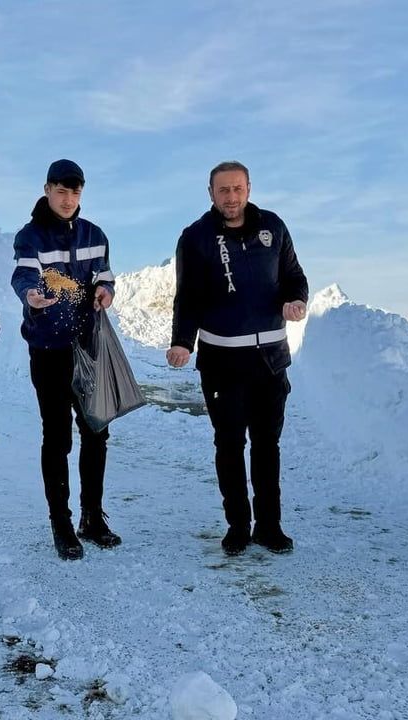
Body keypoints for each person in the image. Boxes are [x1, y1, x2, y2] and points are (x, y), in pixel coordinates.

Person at [166, 161, 308, 557]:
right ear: (210, 193)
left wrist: (295, 300)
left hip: (270, 360)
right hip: (222, 362)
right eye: (223, 190)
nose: (231, 197)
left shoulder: (273, 227)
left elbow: (294, 276)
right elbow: (188, 297)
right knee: (229, 445)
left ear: (249, 188)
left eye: (237, 189)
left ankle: (269, 526)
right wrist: (182, 342)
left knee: (267, 445)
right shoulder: (195, 237)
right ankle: (238, 527)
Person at [10, 159, 121, 560]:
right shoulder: (30, 237)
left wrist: (105, 292)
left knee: (97, 431)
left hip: (88, 346)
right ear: (47, 190)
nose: (68, 199)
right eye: (61, 191)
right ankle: (62, 523)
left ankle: (92, 517)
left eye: (75, 192)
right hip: (48, 350)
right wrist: (31, 297)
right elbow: (23, 276)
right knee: (57, 436)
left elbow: (104, 276)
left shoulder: (95, 234)